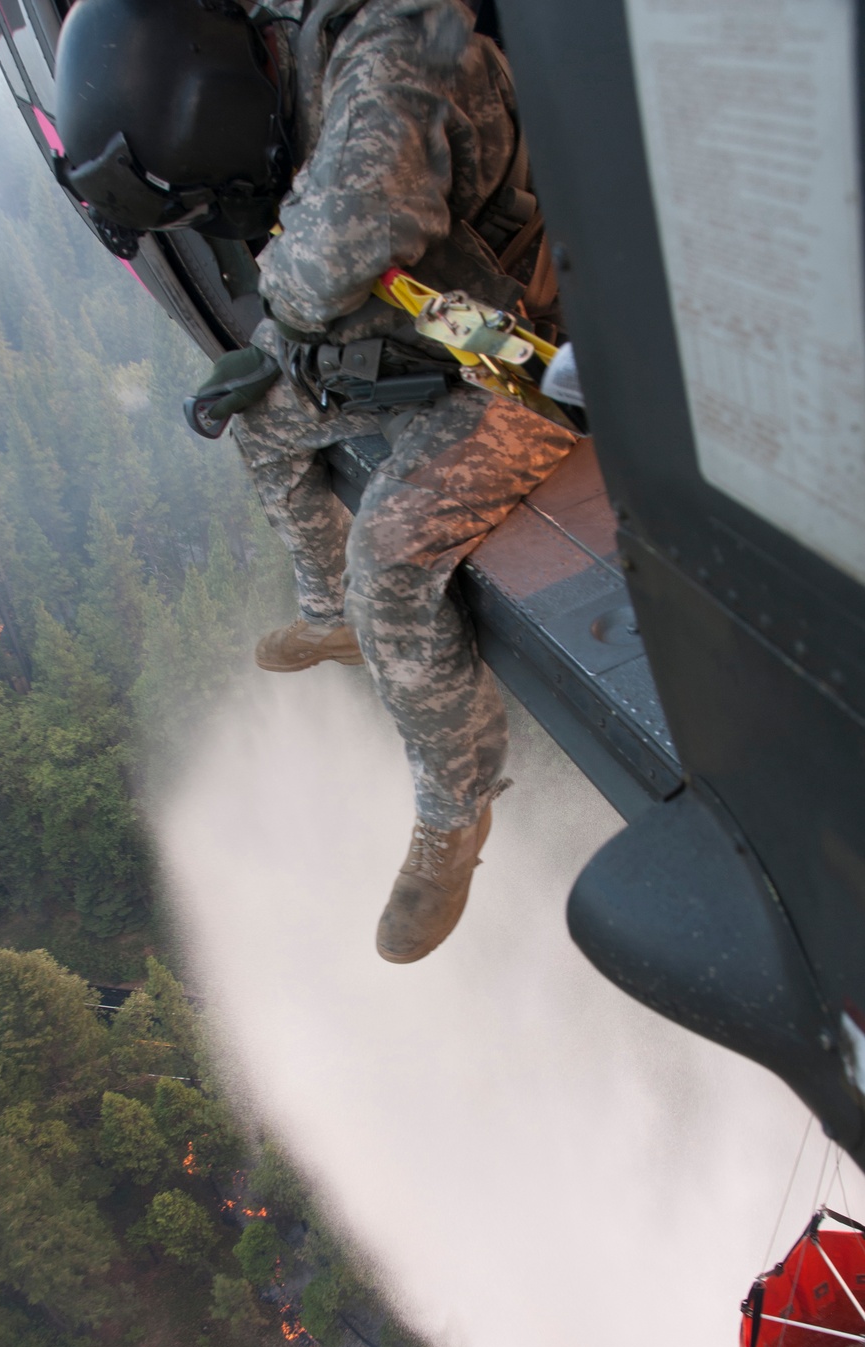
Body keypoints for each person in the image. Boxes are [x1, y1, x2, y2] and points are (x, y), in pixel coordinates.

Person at [53, 0, 579, 964]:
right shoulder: (289, 72)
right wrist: (276, 355)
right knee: (261, 423)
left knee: (392, 551)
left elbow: (352, 233)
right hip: (424, 334)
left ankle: (453, 811)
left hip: (524, 357)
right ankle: (329, 608)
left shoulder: (388, 50)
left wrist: (278, 335)